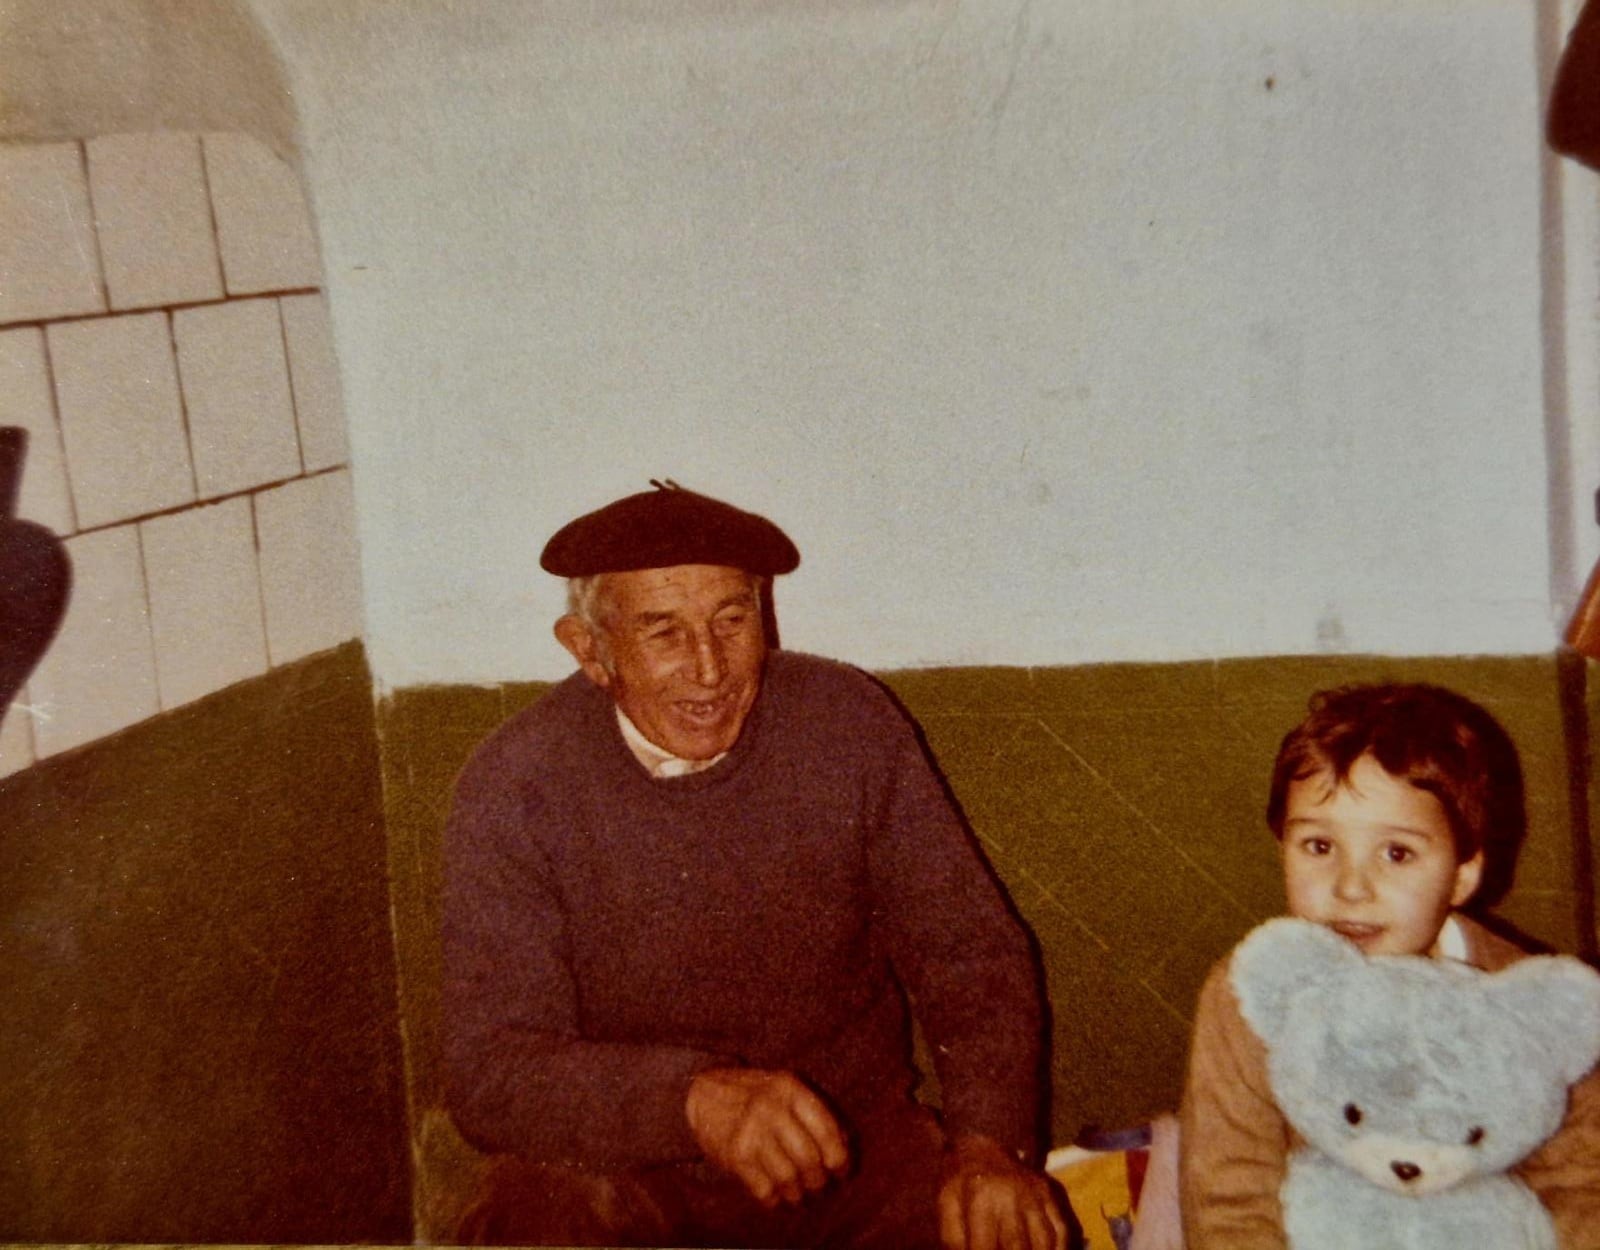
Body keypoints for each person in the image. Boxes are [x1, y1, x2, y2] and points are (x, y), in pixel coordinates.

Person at [441, 482, 1069, 1250]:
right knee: (535, 1212)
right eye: (663, 633)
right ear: (589, 650)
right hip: (629, 1174)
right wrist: (690, 1103)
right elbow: (491, 1069)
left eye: (731, 621)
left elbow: (970, 957)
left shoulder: (847, 723)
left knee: (991, 1224)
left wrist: (988, 1146)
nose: (709, 669)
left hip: (845, 1156)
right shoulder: (516, 782)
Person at [1177, 682, 1600, 1249]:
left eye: (1396, 853)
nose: (1351, 888)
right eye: (1319, 847)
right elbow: (1227, 1197)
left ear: (1463, 873)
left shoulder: (1515, 997)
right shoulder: (1250, 992)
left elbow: (1579, 1188)